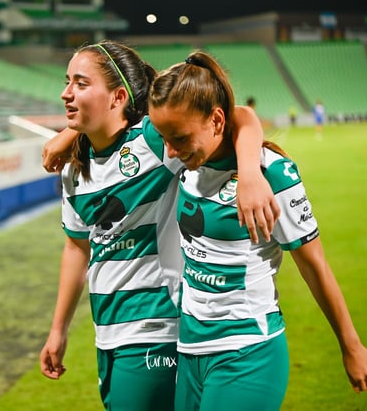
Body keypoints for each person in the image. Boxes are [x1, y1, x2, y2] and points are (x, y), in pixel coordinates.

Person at [39, 40, 280, 411]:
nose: (65, 93)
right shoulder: (74, 170)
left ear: (118, 95)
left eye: (81, 83)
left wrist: (249, 172)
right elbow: (77, 247)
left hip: (156, 327)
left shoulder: (154, 143)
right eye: (68, 81)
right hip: (108, 332)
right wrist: (58, 330)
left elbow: (239, 115)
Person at [148, 50, 367, 411]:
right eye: (164, 137)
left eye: (180, 139)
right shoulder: (185, 151)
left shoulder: (273, 175)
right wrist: (69, 137)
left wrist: (351, 346)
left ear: (216, 121)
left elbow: (314, 265)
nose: (169, 150)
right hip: (189, 351)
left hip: (246, 351)